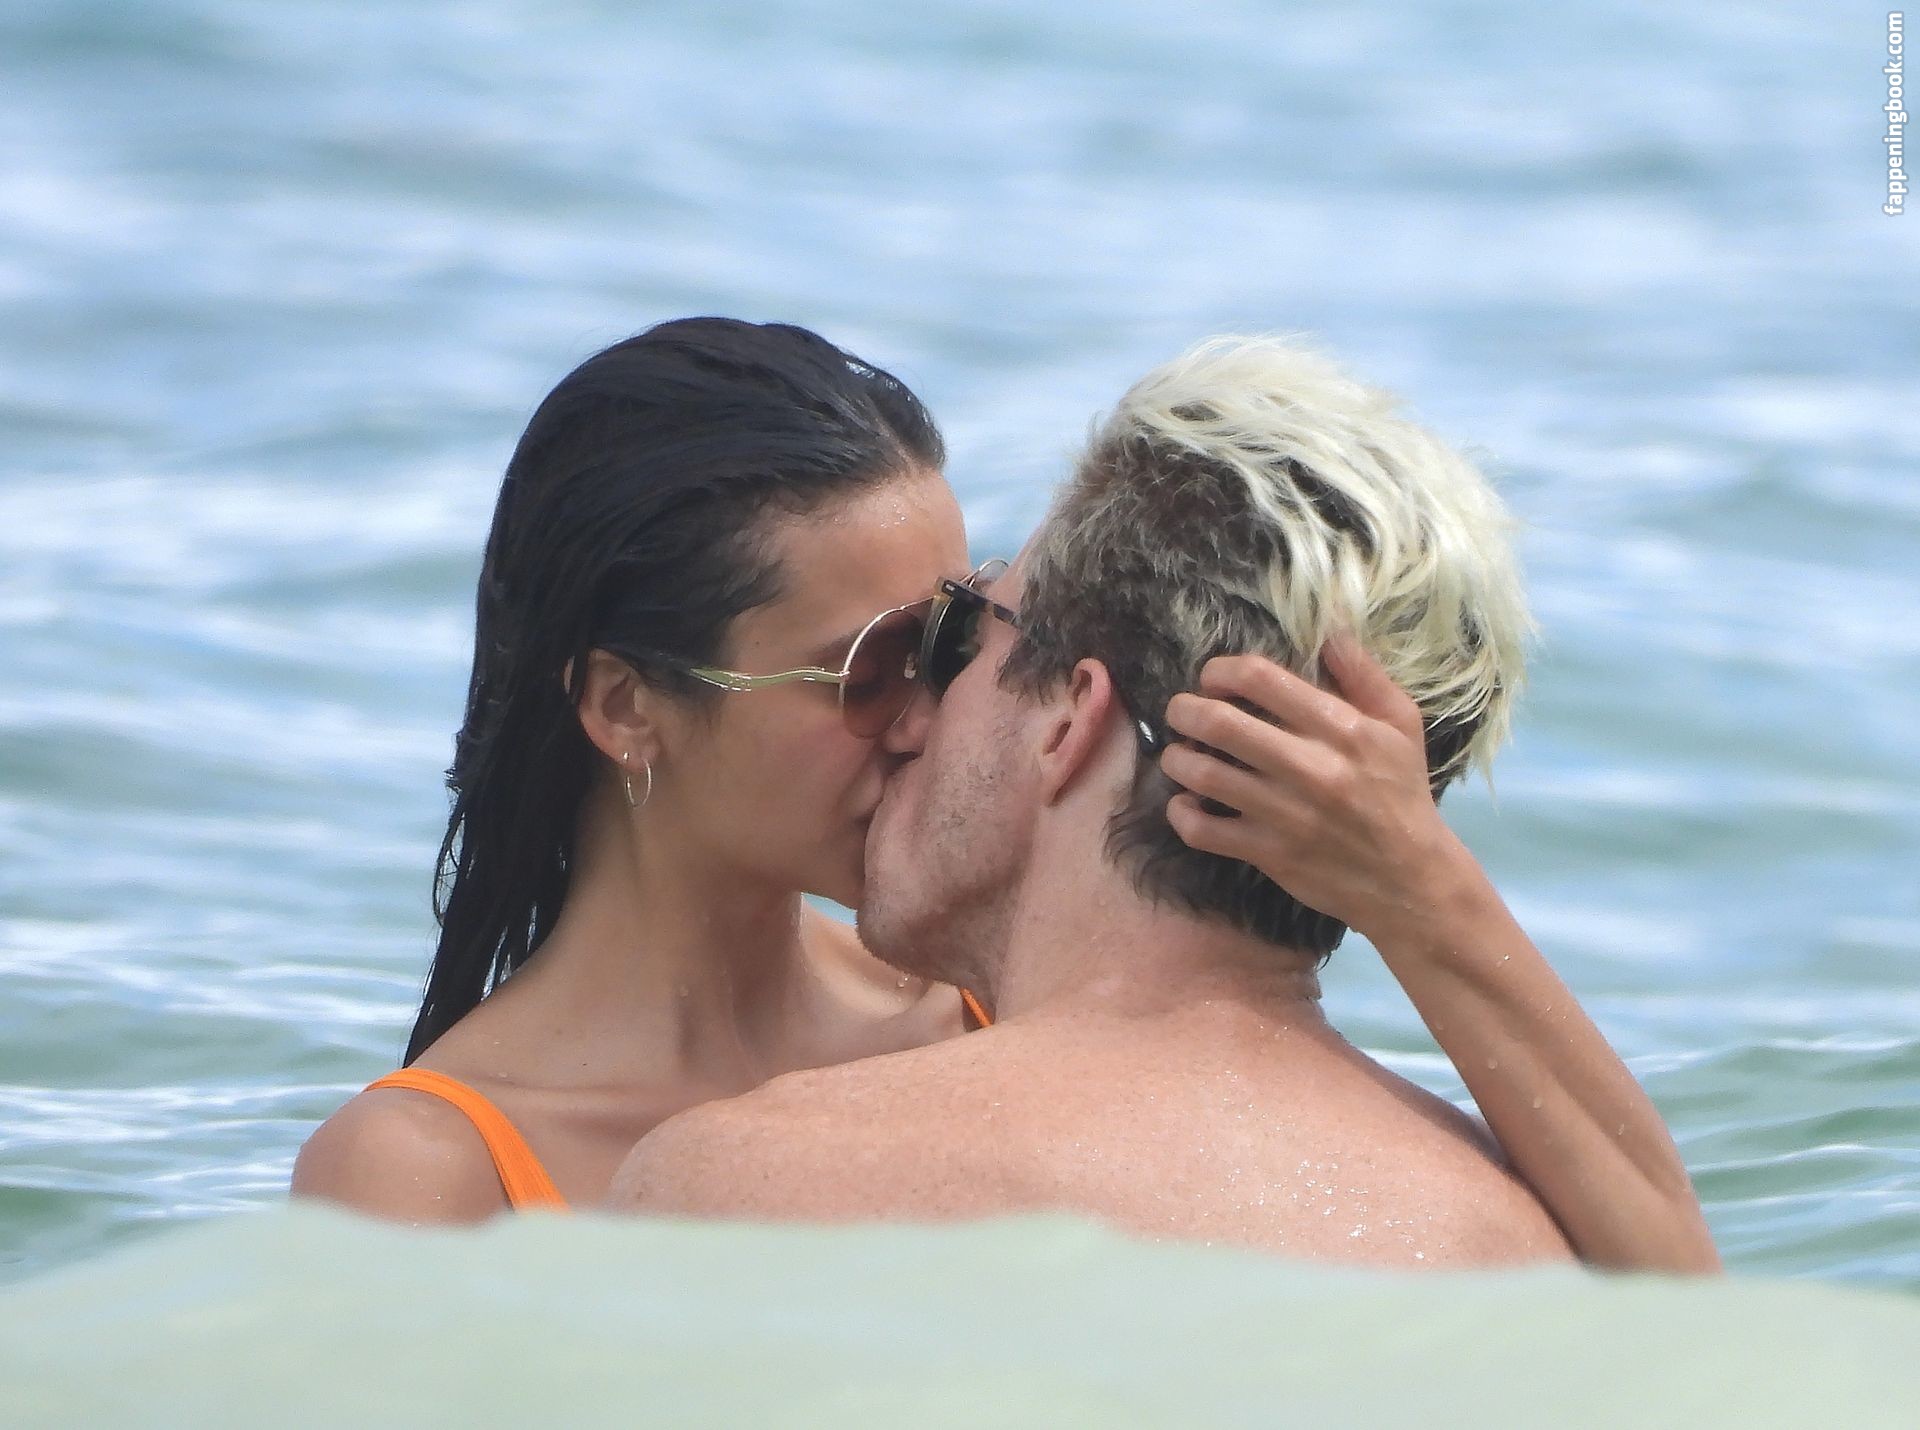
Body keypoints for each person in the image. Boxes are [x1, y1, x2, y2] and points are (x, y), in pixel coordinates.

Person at [294, 318, 1711, 1271]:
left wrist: (1414, 880)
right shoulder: (422, 1176)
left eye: (955, 639)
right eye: (873, 666)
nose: (933, 714)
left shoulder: (971, 1004)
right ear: (624, 709)